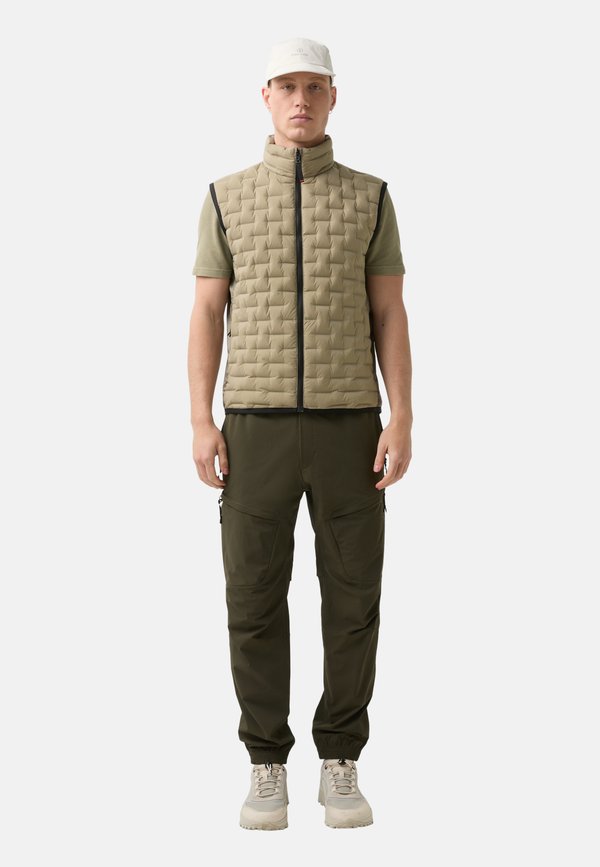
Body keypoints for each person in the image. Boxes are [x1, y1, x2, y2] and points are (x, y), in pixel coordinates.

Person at [187, 36, 412, 830]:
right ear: (266, 96)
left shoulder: (371, 197)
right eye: (287, 86)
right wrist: (201, 418)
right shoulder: (225, 197)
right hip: (254, 430)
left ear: (333, 96)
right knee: (252, 597)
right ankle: (266, 762)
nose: (301, 100)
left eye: (314, 87)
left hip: (352, 427)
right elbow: (206, 310)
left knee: (354, 599)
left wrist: (402, 413)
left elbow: (389, 311)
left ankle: (341, 759)